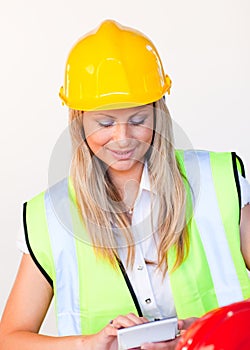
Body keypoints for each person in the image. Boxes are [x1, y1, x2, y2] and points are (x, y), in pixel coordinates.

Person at [0, 19, 249, 350]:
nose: (122, 139)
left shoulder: (219, 182)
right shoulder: (48, 217)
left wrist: (205, 329)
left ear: (158, 113)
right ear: (78, 121)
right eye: (104, 123)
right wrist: (92, 343)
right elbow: (10, 339)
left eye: (138, 120)